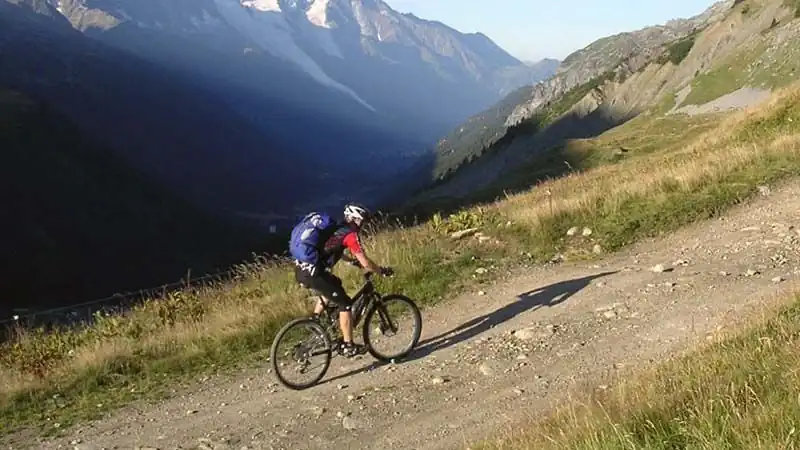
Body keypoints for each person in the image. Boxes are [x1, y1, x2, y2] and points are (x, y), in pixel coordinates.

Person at [292, 202, 393, 357]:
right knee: (345, 304)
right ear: (356, 219)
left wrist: (351, 261)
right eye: (363, 220)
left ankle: (315, 320)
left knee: (335, 284)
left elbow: (332, 249)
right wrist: (380, 270)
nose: (364, 224)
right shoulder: (351, 235)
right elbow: (365, 262)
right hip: (314, 273)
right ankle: (348, 345)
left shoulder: (337, 229)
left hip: (302, 270)